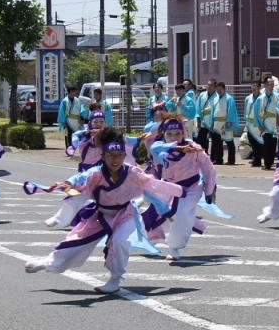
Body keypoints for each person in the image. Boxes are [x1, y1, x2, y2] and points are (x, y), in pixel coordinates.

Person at [24, 127, 186, 293]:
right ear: (103, 156)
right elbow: (79, 178)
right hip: (101, 215)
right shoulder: (96, 174)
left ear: (124, 156)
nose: (115, 159)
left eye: (119, 155)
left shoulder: (132, 173)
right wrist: (69, 183)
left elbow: (152, 187)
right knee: (75, 242)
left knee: (119, 241)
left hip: (125, 214)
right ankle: (48, 263)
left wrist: (172, 199)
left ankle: (115, 280)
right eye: (110, 156)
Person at [143, 114, 219, 261]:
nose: (174, 137)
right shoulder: (158, 149)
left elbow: (209, 169)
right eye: (169, 134)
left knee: (182, 212)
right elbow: (156, 154)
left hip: (192, 187)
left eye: (178, 133)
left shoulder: (194, 148)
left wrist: (210, 190)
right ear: (163, 134)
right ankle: (145, 237)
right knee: (155, 212)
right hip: (168, 186)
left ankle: (174, 247)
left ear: (183, 133)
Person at [208, 82, 239, 165]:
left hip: (226, 122)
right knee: (217, 143)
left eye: (220, 89)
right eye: (217, 89)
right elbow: (212, 112)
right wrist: (211, 123)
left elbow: (231, 111)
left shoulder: (229, 98)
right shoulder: (215, 99)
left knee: (229, 142)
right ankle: (219, 160)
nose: (218, 91)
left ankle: (231, 160)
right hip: (216, 123)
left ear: (224, 89)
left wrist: (229, 121)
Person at [253, 77, 279, 170]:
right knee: (266, 144)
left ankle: (270, 161)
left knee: (273, 144)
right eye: (269, 84)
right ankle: (266, 163)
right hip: (264, 123)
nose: (271, 86)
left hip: (274, 123)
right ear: (265, 85)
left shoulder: (277, 96)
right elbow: (256, 112)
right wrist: (259, 124)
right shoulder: (260, 98)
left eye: (272, 84)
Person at [243, 81, 264, 167]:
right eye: (252, 85)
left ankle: (257, 159)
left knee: (259, 142)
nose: (254, 87)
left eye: (255, 86)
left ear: (259, 87)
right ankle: (256, 158)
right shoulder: (248, 98)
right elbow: (245, 110)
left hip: (259, 124)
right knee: (251, 141)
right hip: (250, 124)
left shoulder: (263, 98)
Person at [57, 85, 84, 150]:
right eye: (74, 91)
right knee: (68, 135)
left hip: (77, 120)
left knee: (76, 134)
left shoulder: (77, 100)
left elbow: (82, 109)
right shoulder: (65, 101)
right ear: (70, 92)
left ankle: (76, 148)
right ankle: (69, 149)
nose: (75, 93)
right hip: (68, 120)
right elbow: (61, 111)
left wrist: (83, 116)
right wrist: (63, 122)